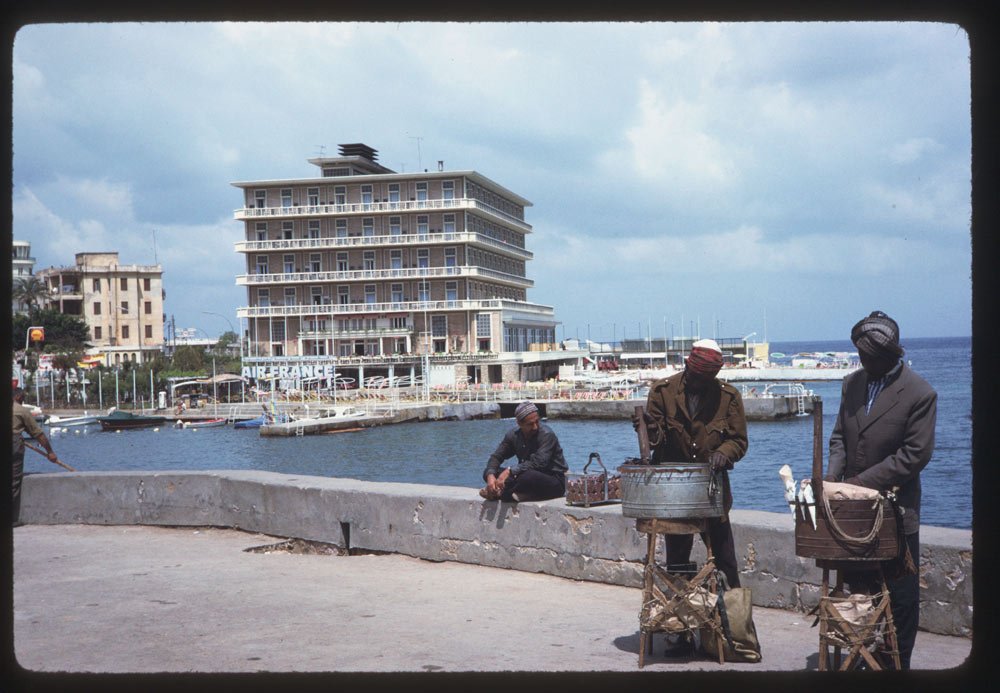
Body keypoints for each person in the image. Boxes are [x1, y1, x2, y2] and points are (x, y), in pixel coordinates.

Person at [825, 311, 936, 670]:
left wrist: (861, 482)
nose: (863, 362)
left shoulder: (920, 393)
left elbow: (914, 455)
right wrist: (831, 483)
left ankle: (894, 662)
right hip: (851, 511)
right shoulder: (852, 383)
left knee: (900, 596)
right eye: (860, 355)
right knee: (858, 589)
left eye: (869, 357)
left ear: (890, 356)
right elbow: (840, 437)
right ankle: (864, 653)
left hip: (896, 510)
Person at [634, 338, 749, 654]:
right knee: (678, 563)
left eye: (706, 380)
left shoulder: (729, 397)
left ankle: (732, 631)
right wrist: (647, 429)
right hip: (675, 493)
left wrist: (725, 452)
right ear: (687, 367)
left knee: (725, 562)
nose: (700, 385)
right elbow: (656, 441)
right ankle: (680, 629)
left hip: (713, 493)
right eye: (696, 378)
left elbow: (739, 440)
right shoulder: (662, 392)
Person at [480, 401, 567, 502]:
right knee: (489, 472)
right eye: (530, 424)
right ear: (519, 423)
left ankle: (502, 493)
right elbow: (496, 457)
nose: (535, 427)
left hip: (553, 480)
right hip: (524, 473)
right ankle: (506, 492)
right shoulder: (513, 435)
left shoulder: (547, 435)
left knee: (526, 477)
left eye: (537, 422)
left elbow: (539, 463)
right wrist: (490, 476)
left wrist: (509, 471)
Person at [11, 387, 59, 527]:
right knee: (13, 481)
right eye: (23, 397)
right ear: (19, 397)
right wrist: (50, 452)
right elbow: (38, 434)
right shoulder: (21, 411)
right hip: (13, 444)